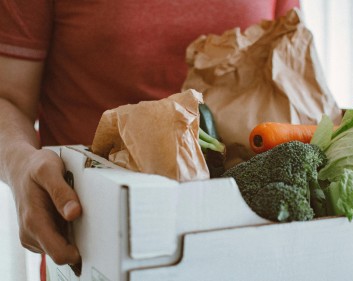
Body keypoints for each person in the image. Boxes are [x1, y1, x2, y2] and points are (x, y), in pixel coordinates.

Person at [0, 0, 299, 279]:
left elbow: (290, 69)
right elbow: (7, 97)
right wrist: (19, 163)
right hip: (97, 242)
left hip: (245, 250)